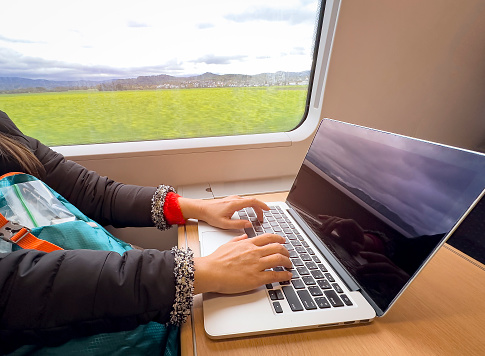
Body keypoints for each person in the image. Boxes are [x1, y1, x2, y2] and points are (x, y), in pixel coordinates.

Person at [0, 110, 292, 353]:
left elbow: (88, 191)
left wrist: (194, 207)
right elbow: (17, 288)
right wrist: (192, 273)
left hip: (117, 284)